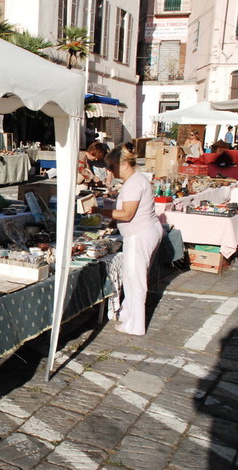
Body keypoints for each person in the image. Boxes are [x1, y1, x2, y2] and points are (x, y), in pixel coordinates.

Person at [89, 142, 163, 335]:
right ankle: (127, 314)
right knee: (132, 277)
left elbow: (127, 214)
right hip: (142, 231)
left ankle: (136, 325)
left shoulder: (134, 184)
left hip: (140, 233)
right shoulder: (135, 181)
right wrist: (111, 223)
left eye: (112, 167)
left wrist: (100, 211)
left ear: (124, 164)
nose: (110, 171)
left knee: (134, 280)